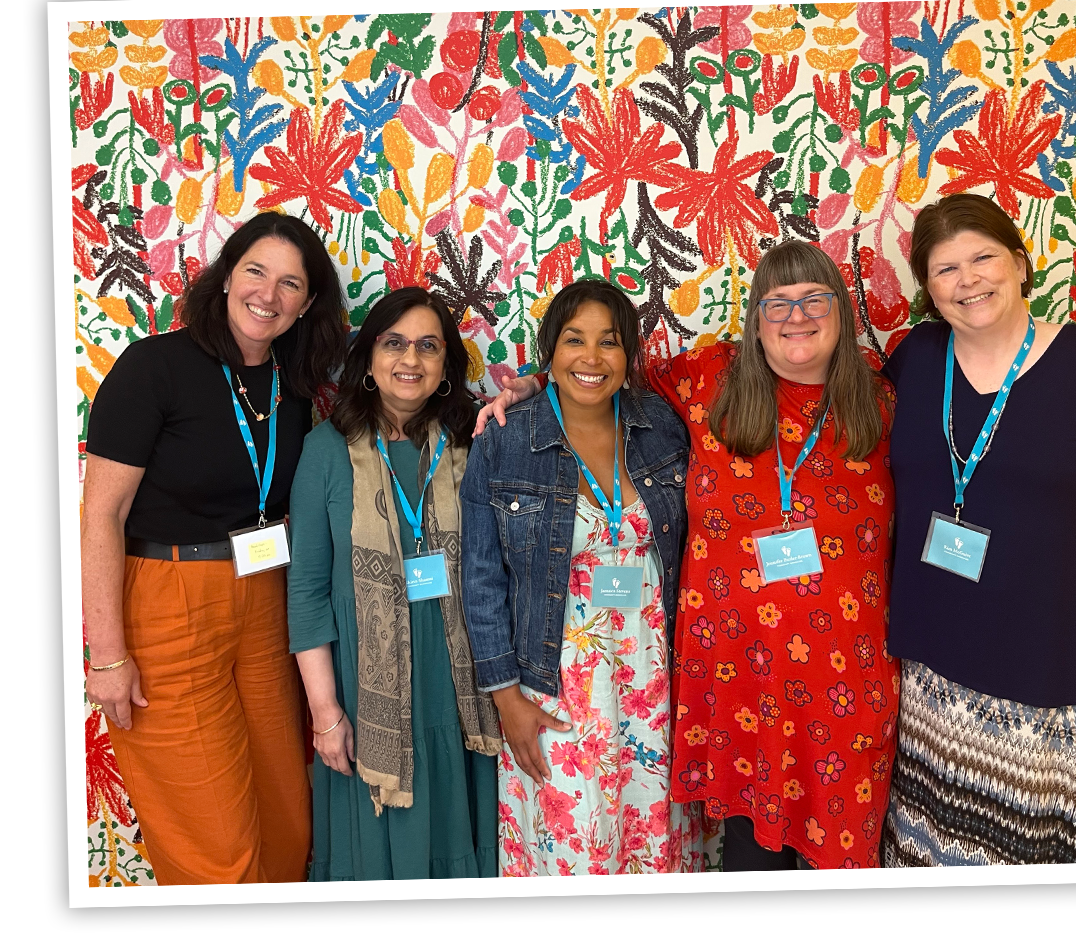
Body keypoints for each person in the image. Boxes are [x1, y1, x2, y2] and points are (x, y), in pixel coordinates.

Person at [476, 241, 899, 871]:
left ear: (842, 309)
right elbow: (602, 372)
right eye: (778, 302)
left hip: (839, 691)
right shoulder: (709, 383)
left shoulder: (885, 400)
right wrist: (537, 383)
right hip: (734, 687)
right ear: (755, 317)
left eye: (815, 299)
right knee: (734, 859)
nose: (797, 316)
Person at [879, 193, 1076, 865]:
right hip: (936, 685)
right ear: (927, 288)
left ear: (1021, 263)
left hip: (1060, 679)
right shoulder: (916, 358)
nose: (967, 280)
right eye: (945, 269)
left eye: (983, 258)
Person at [81, 212, 346, 884]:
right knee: (215, 847)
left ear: (308, 302)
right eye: (255, 271)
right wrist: (106, 656)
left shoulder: (294, 381)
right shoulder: (154, 367)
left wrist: (526, 392)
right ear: (227, 276)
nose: (268, 294)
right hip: (169, 603)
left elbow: (398, 399)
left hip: (265, 603)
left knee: (286, 821)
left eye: (291, 283)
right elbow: (101, 515)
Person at [460, 280, 702, 875]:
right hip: (554, 685)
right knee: (574, 848)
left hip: (656, 681)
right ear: (550, 351)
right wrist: (506, 699)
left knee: (652, 844)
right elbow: (481, 579)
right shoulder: (505, 440)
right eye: (574, 340)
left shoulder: (664, 425)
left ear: (629, 353)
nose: (592, 357)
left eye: (609, 342)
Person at [287, 287, 502, 880]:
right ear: (369, 358)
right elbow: (306, 591)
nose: (410, 359)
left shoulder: (475, 440)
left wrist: (528, 386)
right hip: (366, 692)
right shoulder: (325, 450)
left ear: (446, 366)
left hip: (460, 684)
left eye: (428, 346)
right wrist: (326, 712)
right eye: (394, 343)